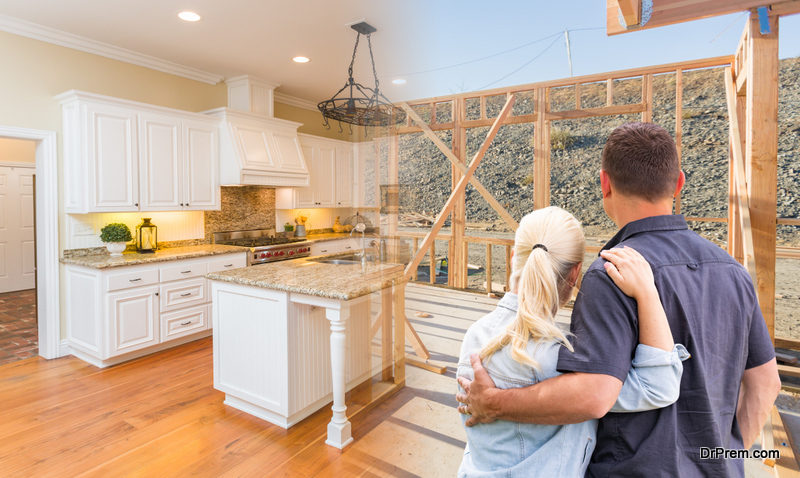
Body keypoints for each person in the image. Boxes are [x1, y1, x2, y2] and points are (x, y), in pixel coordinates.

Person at [456, 122, 781, 477]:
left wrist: (496, 403)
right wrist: (722, 456)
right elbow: (766, 384)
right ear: (679, 183)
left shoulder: (610, 274)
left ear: (604, 183)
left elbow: (594, 393)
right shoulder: (733, 272)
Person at [456, 206, 689, 477]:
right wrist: (647, 293)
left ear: (512, 257)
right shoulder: (563, 357)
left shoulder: (474, 335)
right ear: (575, 273)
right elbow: (658, 386)